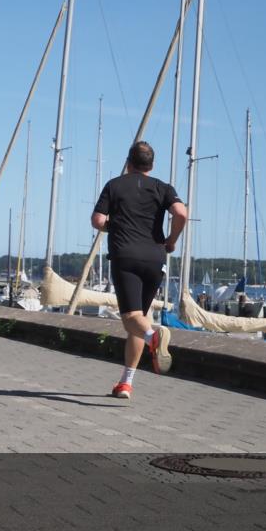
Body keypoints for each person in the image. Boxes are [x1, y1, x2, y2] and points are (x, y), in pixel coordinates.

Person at [91, 141, 187, 400]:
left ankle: (154, 336)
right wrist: (172, 240)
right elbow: (181, 213)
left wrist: (117, 224)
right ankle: (126, 382)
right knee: (140, 317)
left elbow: (98, 220)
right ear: (151, 165)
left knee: (131, 319)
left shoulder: (115, 185)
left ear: (128, 162)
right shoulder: (162, 188)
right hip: (156, 258)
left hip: (126, 255)